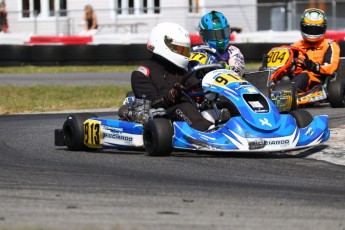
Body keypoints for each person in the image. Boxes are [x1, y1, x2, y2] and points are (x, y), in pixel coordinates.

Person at [122, 22, 213, 131]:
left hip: (192, 113)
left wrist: (207, 83)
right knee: (183, 106)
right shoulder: (142, 74)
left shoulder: (183, 70)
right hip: (163, 119)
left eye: (185, 50)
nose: (183, 54)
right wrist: (173, 94)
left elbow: (198, 92)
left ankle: (225, 127)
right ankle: (207, 132)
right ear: (162, 44)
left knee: (216, 104)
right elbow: (153, 103)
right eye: (179, 49)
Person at [291, 8, 340, 92]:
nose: (312, 33)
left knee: (304, 75)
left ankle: (289, 92)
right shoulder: (296, 45)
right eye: (309, 29)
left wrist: (315, 66)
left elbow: (331, 67)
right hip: (296, 77)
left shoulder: (329, 44)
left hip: (317, 80)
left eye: (316, 29)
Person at [197, 10, 245, 77]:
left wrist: (224, 67)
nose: (219, 39)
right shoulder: (200, 52)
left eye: (223, 33)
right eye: (213, 35)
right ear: (203, 35)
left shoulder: (233, 51)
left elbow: (237, 72)